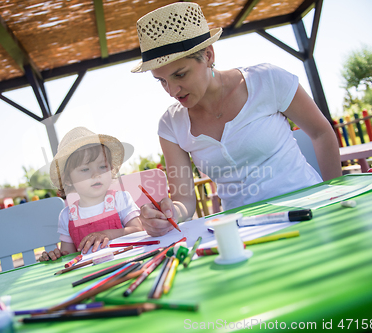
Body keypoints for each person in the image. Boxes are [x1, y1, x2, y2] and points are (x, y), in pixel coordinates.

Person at [131, 2, 342, 236]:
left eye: (180, 74)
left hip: (310, 210)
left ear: (208, 55)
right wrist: (169, 213)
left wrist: (335, 196)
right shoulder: (170, 125)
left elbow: (321, 133)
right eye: (161, 80)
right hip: (244, 231)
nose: (171, 90)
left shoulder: (268, 80)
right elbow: (184, 201)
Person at [39, 127, 143, 261]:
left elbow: (138, 231)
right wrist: (56, 256)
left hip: (127, 264)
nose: (96, 174)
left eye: (102, 167)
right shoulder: (68, 216)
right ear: (68, 179)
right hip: (89, 276)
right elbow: (68, 256)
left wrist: (107, 234)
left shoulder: (120, 199)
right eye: (85, 169)